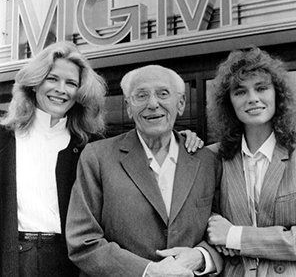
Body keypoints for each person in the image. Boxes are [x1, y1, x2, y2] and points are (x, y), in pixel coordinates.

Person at [66, 64, 223, 277]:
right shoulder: (98, 157)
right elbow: (82, 241)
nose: (152, 104)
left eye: (163, 94)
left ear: (181, 103)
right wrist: (148, 271)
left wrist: (202, 256)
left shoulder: (207, 160)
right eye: (141, 95)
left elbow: (224, 226)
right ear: (129, 107)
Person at [0, 41, 107, 277]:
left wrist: (182, 138)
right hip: (12, 256)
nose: (61, 89)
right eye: (52, 79)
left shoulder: (91, 145)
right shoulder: (4, 138)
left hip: (68, 259)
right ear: (34, 83)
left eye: (71, 83)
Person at [206, 46, 296, 276]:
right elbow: (197, 217)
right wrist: (210, 221)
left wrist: (235, 236)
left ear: (277, 94)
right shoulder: (213, 157)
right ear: (228, 102)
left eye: (261, 88)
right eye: (240, 92)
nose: (253, 99)